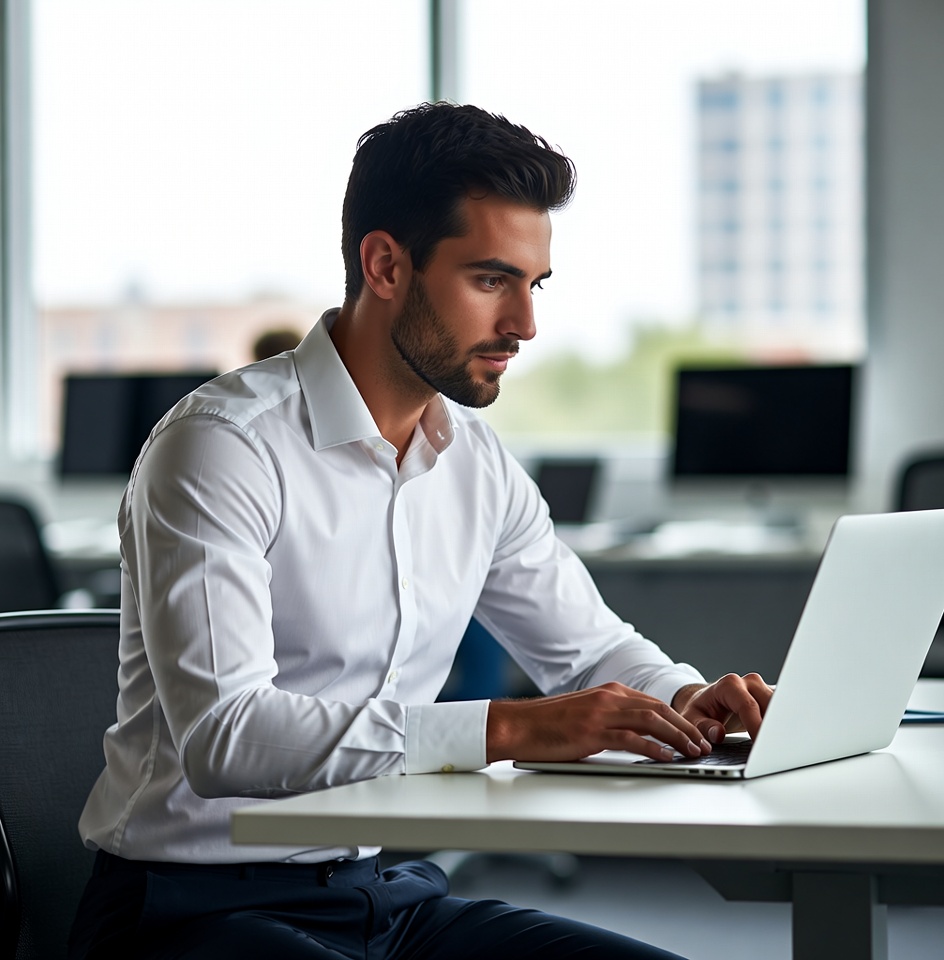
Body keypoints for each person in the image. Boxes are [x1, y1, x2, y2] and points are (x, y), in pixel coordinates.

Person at [68, 102, 773, 960]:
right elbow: (229, 737)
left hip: (377, 897)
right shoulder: (222, 447)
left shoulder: (474, 461)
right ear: (386, 265)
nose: (525, 325)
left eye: (534, 284)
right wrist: (510, 729)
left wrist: (685, 702)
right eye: (490, 280)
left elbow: (591, 654)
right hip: (190, 911)